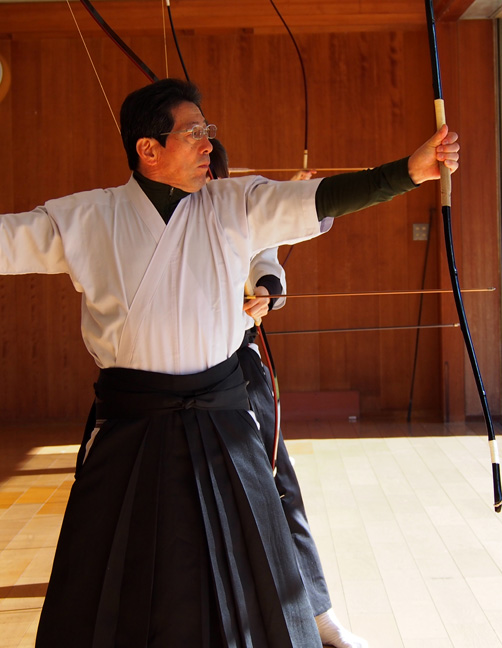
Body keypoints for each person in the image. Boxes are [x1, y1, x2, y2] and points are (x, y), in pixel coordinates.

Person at [0, 78, 459, 647]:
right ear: (148, 149)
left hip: (222, 417)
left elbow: (326, 197)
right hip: (134, 422)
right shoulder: (87, 217)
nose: (208, 143)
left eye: (207, 130)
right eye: (193, 132)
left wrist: (410, 171)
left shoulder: (236, 204)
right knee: (120, 570)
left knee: (251, 563)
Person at [209, 139, 367, 648]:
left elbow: (266, 263)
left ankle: (317, 613)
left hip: (237, 360)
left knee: (278, 483)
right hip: (168, 378)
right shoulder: (154, 221)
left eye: (212, 174)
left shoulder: (237, 207)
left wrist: (266, 292)